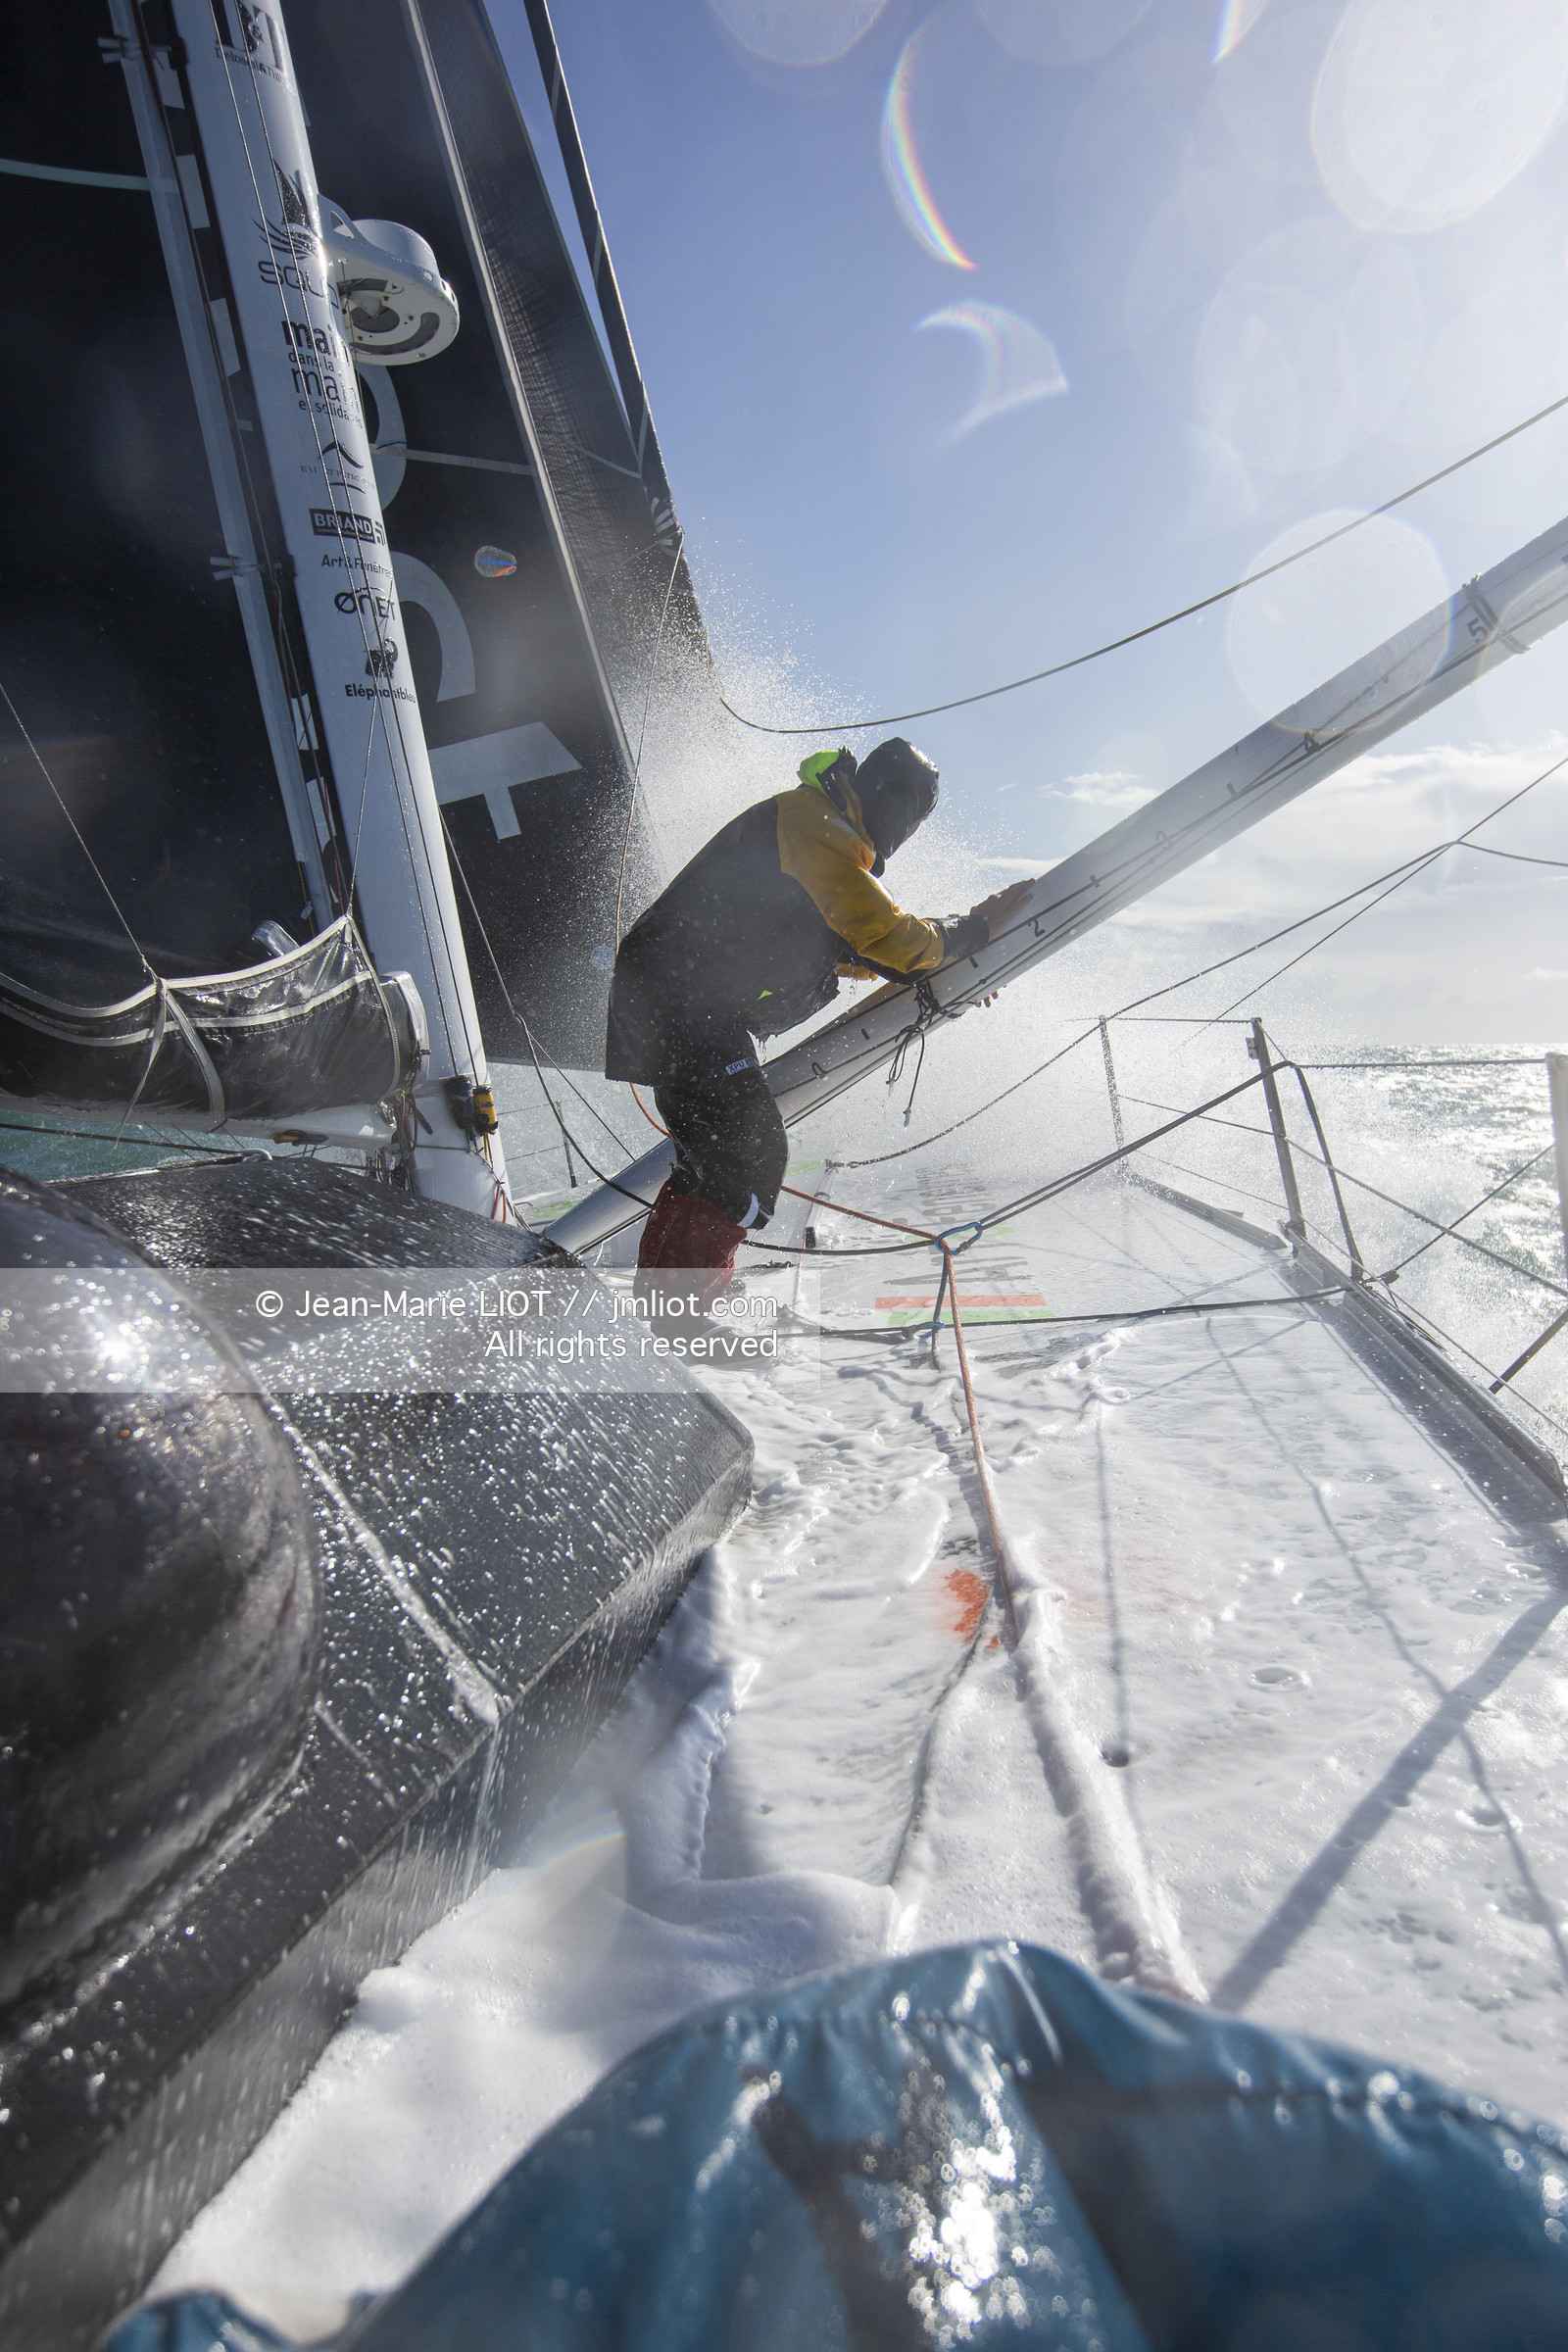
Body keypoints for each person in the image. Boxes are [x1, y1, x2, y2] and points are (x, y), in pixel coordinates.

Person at [606, 735, 1034, 1317]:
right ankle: (677, 1321)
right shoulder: (819, 829)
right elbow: (886, 936)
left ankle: (664, 1307)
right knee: (750, 1159)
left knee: (710, 1160)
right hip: (684, 1003)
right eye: (910, 816)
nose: (906, 834)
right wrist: (972, 931)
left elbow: (851, 944)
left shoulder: (822, 824)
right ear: (888, 799)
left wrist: (947, 961)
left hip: (678, 998)